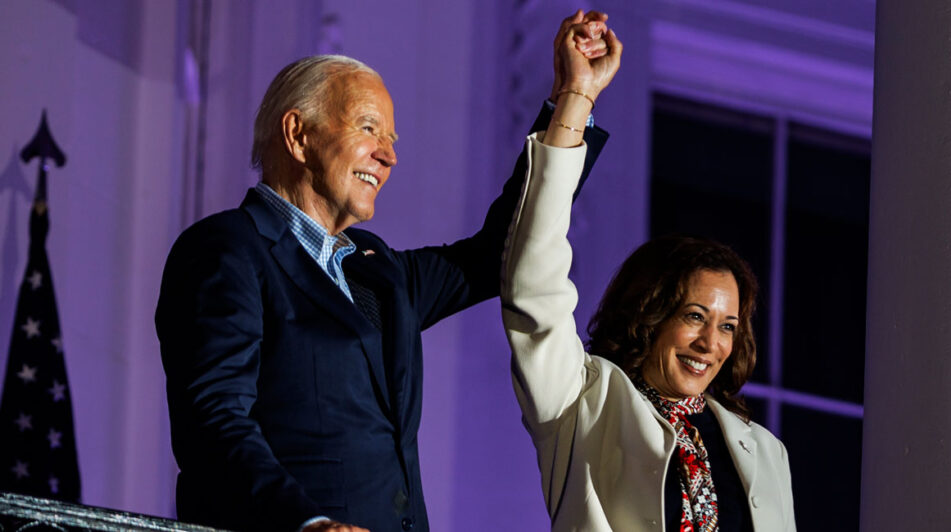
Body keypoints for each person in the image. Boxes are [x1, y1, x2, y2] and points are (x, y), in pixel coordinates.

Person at [155, 11, 611, 532]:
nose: (389, 155)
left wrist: (573, 99)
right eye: (368, 129)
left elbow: (497, 252)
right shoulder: (227, 251)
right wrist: (306, 523)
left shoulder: (378, 272)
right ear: (298, 134)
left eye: (391, 138)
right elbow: (215, 422)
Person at [500, 22, 796, 532]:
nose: (710, 343)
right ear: (649, 315)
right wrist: (576, 98)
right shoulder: (582, 402)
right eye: (695, 316)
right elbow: (534, 280)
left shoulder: (765, 453)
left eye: (728, 326)